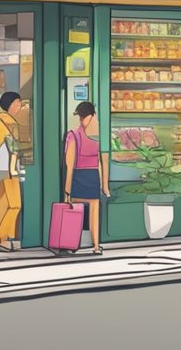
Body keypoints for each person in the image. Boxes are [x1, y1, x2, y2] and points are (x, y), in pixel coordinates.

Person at [63, 101, 111, 255]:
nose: (83, 120)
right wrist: (67, 191)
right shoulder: (74, 136)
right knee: (79, 212)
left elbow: (103, 162)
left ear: (93, 116)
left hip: (88, 176)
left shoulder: (77, 136)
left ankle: (95, 245)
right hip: (82, 176)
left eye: (85, 116)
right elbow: (70, 168)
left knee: (91, 212)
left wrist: (105, 185)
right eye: (82, 117)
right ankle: (74, 243)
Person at [0, 91, 24, 251]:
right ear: (8, 104)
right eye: (17, 103)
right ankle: (1, 237)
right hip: (9, 168)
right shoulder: (10, 122)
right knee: (15, 205)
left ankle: (6, 238)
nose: (19, 106)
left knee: (2, 203)